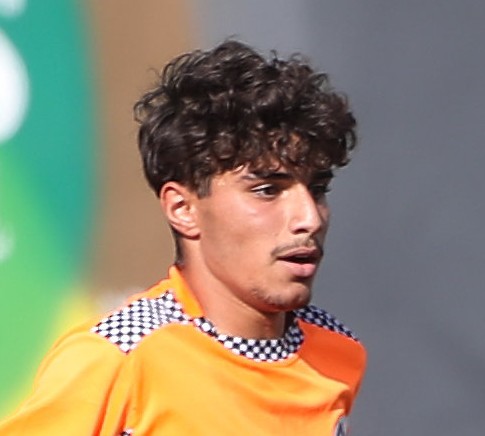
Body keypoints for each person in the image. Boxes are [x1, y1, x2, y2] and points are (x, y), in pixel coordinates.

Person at [0, 40, 366, 435]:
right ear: (182, 209)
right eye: (267, 190)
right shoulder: (118, 356)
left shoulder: (338, 348)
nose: (309, 218)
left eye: (317, 189)